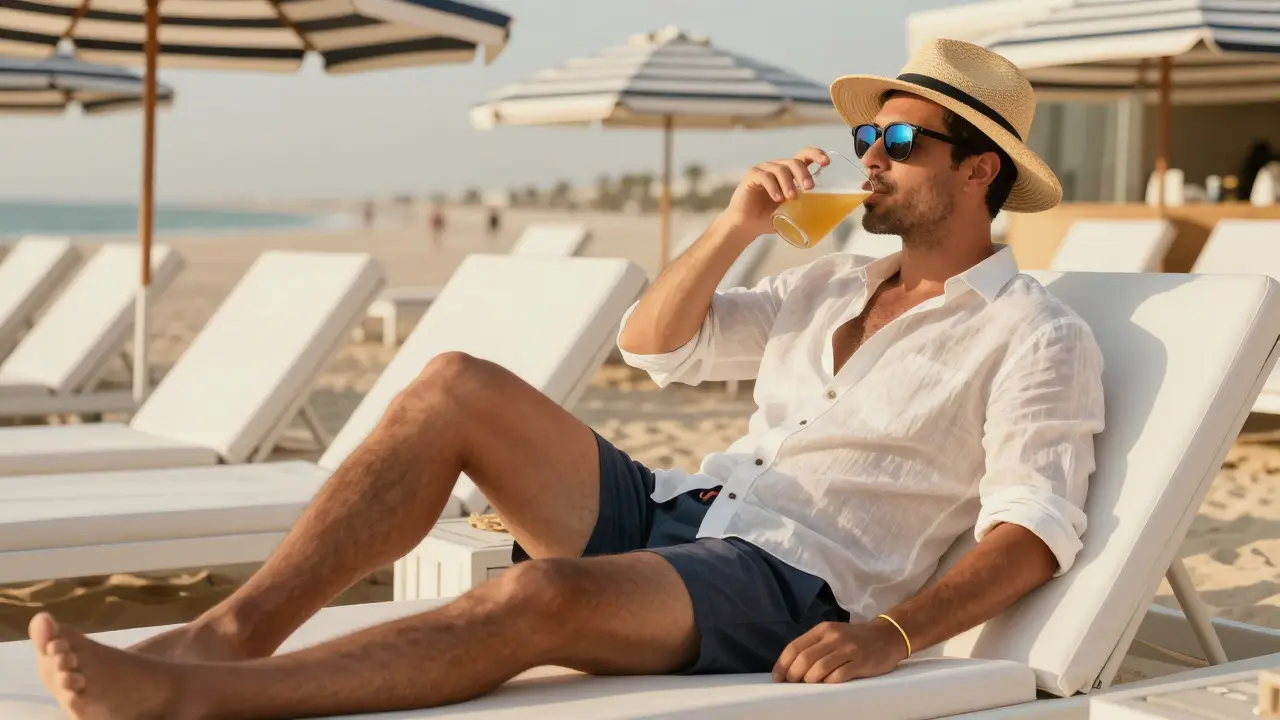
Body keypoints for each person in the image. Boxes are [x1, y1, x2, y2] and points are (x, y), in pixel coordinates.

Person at [28, 38, 1106, 719]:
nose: (866, 155)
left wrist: (892, 632)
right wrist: (734, 227)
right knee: (454, 381)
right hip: (686, 512)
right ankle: (231, 632)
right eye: (864, 133)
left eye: (899, 142)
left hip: (787, 582)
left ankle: (208, 698)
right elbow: (656, 344)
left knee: (537, 594)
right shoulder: (825, 282)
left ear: (976, 171)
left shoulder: (1030, 334)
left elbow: (1033, 526)